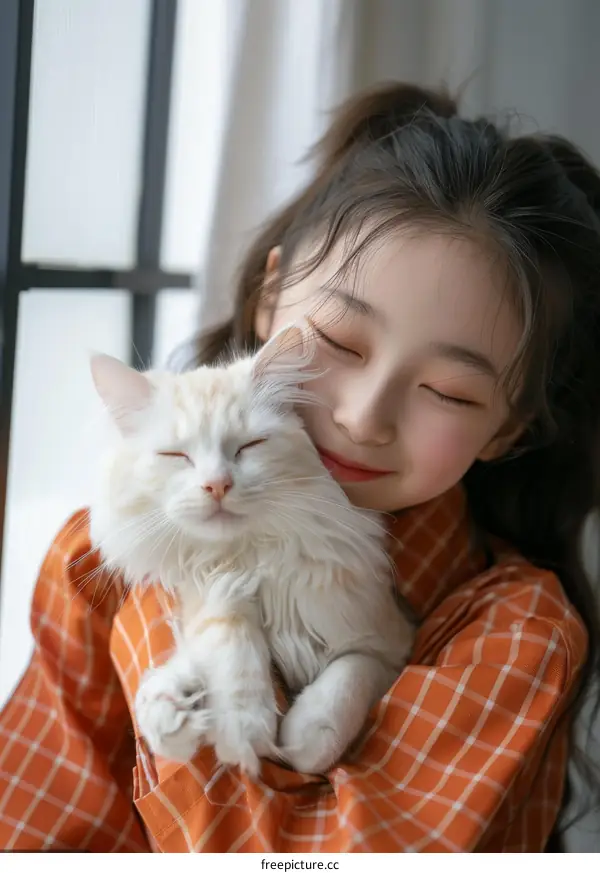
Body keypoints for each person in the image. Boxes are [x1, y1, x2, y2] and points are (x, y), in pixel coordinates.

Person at [0, 81, 599, 853]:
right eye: (341, 343)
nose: (363, 416)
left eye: (448, 391)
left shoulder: (517, 632)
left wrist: (185, 615)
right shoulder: (93, 561)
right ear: (271, 295)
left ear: (508, 428)